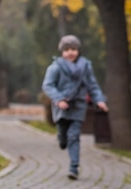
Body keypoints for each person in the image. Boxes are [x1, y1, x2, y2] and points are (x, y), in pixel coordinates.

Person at [42, 34, 108, 180]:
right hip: (62, 106)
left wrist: (99, 100)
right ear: (62, 52)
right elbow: (47, 85)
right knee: (64, 134)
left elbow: (92, 86)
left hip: (78, 105)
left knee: (74, 136)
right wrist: (58, 99)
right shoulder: (56, 67)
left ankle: (74, 167)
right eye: (66, 50)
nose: (70, 52)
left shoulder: (85, 67)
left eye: (73, 49)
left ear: (78, 50)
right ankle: (61, 138)